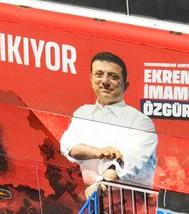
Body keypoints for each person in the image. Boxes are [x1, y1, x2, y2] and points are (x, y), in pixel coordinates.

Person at [60, 51, 158, 195]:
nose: (105, 81)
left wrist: (102, 182)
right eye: (99, 74)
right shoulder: (83, 112)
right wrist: (97, 152)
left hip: (128, 201)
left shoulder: (141, 122)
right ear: (91, 79)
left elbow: (130, 159)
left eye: (113, 76)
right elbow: (68, 145)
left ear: (126, 85)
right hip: (88, 198)